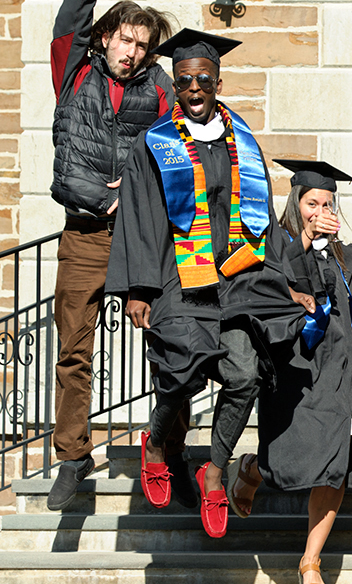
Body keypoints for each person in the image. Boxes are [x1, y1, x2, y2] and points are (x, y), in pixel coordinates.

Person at [106, 29, 300, 540]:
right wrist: (139, 288)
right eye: (185, 79)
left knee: (243, 375)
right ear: (176, 82)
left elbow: (263, 218)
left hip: (236, 276)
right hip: (179, 277)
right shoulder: (157, 142)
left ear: (218, 81)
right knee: (182, 368)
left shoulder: (243, 140)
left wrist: (290, 280)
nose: (194, 87)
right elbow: (142, 216)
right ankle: (156, 441)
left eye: (203, 79)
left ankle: (213, 470)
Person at [47, 0, 176, 512]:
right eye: (124, 39)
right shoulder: (74, 71)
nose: (131, 51)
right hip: (84, 234)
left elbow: (179, 152)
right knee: (73, 344)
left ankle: (161, 444)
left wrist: (143, 188)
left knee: (167, 340)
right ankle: (73, 455)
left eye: (142, 45)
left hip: (139, 237)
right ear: (106, 39)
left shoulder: (160, 91)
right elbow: (68, 18)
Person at [232, 159, 352, 584]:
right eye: (313, 202)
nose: (321, 209)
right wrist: (308, 239)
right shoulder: (279, 243)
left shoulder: (338, 253)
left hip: (343, 369)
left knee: (334, 467)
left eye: (328, 203)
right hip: (297, 369)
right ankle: (253, 469)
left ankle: (311, 560)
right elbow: (273, 283)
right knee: (289, 460)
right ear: (296, 205)